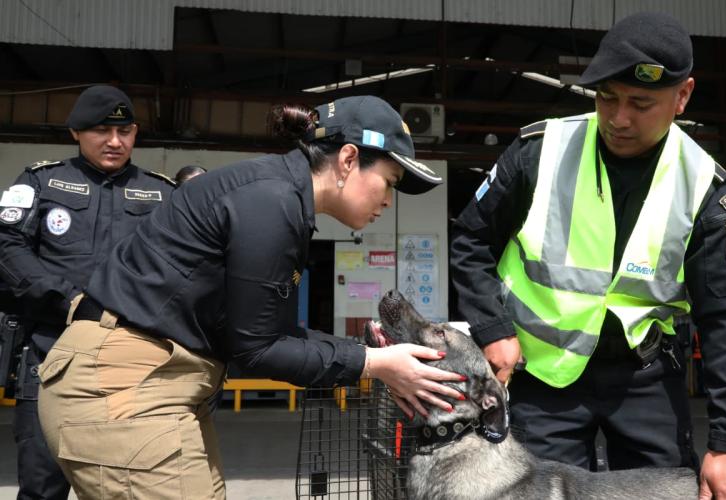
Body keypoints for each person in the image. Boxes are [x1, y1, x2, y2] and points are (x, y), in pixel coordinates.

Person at [36, 95, 463, 499]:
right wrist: (373, 364)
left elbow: (267, 332)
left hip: (152, 383)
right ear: (349, 159)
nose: (388, 202)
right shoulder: (271, 203)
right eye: (388, 182)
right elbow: (257, 350)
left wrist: (367, 358)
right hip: (124, 386)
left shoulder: (276, 195)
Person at [450, 11, 726, 500]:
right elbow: (470, 241)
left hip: (646, 381)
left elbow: (725, 320)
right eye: (607, 98)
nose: (619, 118)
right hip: (543, 378)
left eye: (641, 103)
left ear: (682, 96)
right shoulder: (540, 152)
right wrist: (494, 329)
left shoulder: (705, 187)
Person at [0, 85, 176, 500]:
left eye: (126, 131)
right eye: (101, 131)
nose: (115, 142)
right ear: (75, 133)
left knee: (127, 488)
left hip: (132, 367)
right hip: (49, 357)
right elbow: (7, 245)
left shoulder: (163, 193)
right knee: (42, 488)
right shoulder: (41, 181)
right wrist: (70, 301)